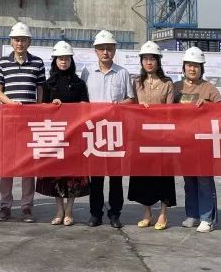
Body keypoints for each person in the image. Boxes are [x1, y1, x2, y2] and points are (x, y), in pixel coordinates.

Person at [0, 21, 45, 223]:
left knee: (27, 165)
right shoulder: (2, 63)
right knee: (7, 164)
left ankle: (26, 207)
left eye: (23, 39)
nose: (19, 43)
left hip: (29, 122)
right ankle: (5, 206)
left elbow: (40, 90)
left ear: (29, 41)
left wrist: (38, 111)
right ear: (11, 41)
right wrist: (11, 104)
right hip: (8, 120)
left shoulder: (37, 63)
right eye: (16, 39)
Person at [82, 29, 134, 229]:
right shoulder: (87, 72)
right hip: (94, 130)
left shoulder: (122, 73)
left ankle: (115, 214)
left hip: (115, 130)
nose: (105, 52)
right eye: (101, 49)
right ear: (95, 51)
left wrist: (119, 106)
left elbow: (131, 99)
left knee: (115, 176)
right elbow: (83, 101)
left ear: (115, 50)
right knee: (95, 176)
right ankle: (95, 214)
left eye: (109, 48)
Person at [35, 41, 89, 226]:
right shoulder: (48, 84)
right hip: (55, 135)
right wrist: (52, 106)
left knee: (73, 175)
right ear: (55, 61)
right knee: (56, 175)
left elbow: (85, 107)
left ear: (71, 60)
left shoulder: (79, 84)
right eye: (60, 58)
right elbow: (42, 109)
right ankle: (59, 210)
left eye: (66, 58)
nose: (63, 62)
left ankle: (69, 210)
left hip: (74, 135)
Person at [127, 41, 176, 231]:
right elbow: (130, 107)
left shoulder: (167, 83)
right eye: (145, 59)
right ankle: (147, 212)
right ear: (141, 61)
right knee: (144, 175)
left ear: (158, 61)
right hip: (142, 136)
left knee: (163, 175)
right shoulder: (136, 83)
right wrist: (139, 109)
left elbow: (171, 111)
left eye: (152, 59)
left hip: (162, 135)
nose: (149, 62)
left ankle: (163, 213)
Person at [176, 46, 221, 233]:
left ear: (202, 68)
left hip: (204, 142)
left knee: (204, 180)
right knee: (189, 180)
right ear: (184, 67)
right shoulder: (176, 87)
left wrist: (208, 105)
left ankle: (207, 218)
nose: (192, 69)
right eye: (189, 65)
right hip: (184, 141)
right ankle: (192, 214)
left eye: (196, 65)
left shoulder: (209, 89)